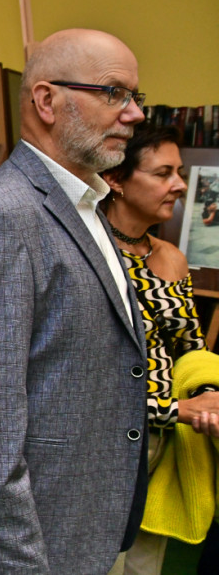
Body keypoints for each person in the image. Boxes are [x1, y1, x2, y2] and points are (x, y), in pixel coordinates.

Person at [0, 29, 151, 574]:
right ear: (46, 101)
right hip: (19, 551)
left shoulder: (86, 202)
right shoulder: (5, 217)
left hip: (74, 523)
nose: (134, 113)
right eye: (114, 93)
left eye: (136, 96)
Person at [100, 124, 219, 574]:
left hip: (165, 446)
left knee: (144, 568)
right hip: (106, 443)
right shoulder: (88, 256)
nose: (181, 185)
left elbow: (189, 350)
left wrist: (208, 394)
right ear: (116, 178)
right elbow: (89, 377)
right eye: (163, 173)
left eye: (180, 172)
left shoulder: (172, 258)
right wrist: (180, 410)